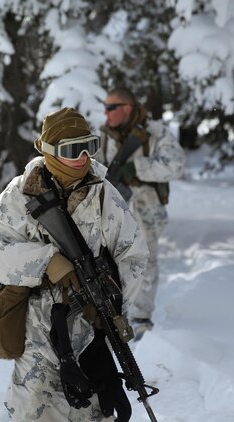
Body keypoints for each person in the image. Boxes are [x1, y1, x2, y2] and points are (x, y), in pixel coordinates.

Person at [0, 107, 149, 422]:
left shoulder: (102, 194)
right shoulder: (20, 193)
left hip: (91, 326)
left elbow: (133, 253)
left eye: (90, 146)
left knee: (93, 407)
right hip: (38, 328)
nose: (83, 157)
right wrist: (47, 262)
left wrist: (115, 305)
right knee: (34, 409)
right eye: (72, 150)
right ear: (48, 151)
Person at [98, 87, 185, 338]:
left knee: (144, 262)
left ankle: (141, 318)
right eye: (105, 107)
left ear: (127, 108)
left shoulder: (154, 132)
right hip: (114, 210)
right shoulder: (103, 135)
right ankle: (116, 314)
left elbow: (175, 165)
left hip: (146, 211)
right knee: (110, 262)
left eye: (111, 107)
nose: (106, 113)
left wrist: (137, 167)